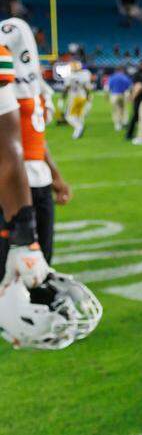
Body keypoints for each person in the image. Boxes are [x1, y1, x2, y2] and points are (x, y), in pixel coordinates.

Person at [1, 16, 70, 264]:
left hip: (39, 180)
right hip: (12, 184)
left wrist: (55, 175)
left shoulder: (33, 87)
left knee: (42, 260)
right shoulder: (6, 88)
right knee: (11, 264)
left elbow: (37, 137)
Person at [63, 60, 94, 139]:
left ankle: (79, 127)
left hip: (74, 97)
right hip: (82, 97)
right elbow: (86, 87)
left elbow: (66, 88)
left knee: (68, 116)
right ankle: (77, 133)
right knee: (78, 115)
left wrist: (62, 97)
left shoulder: (69, 76)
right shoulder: (84, 74)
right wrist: (88, 97)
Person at [106, 66, 132, 131]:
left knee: (116, 110)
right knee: (124, 109)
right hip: (123, 94)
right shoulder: (125, 77)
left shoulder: (112, 77)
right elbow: (129, 86)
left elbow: (108, 87)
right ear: (122, 70)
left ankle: (117, 124)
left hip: (114, 95)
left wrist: (106, 95)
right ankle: (124, 121)